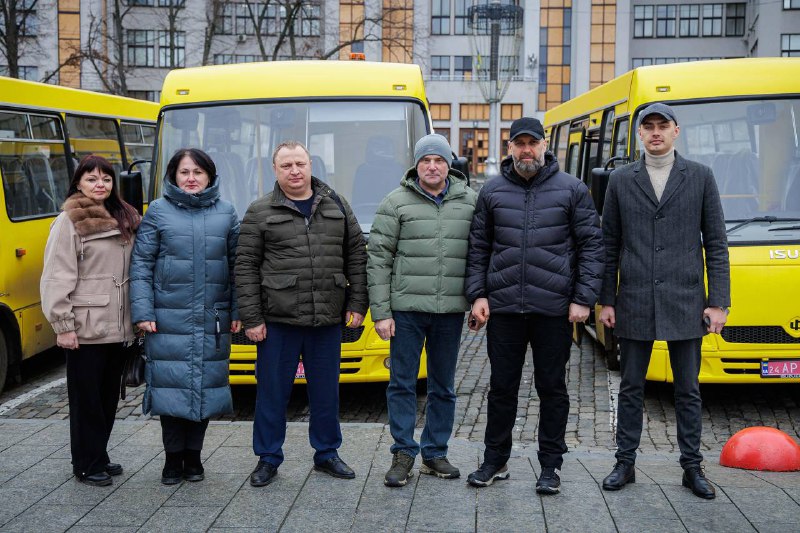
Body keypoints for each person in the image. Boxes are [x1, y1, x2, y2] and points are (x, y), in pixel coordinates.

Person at [465, 117, 604, 494]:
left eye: (533, 143)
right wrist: (478, 295)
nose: (526, 150)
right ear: (509, 148)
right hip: (505, 308)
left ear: (545, 145)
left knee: (552, 388)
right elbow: (478, 247)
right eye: (519, 144)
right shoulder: (492, 191)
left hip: (554, 309)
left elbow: (592, 247)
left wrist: (583, 298)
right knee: (501, 388)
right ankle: (495, 460)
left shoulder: (572, 189)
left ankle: (551, 466)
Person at [598, 103, 730, 500]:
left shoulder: (700, 177)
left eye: (663, 126)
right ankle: (625, 462)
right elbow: (609, 244)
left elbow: (716, 243)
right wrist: (606, 300)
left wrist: (718, 302)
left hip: (686, 299)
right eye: (649, 127)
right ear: (639, 134)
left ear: (676, 131)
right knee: (631, 387)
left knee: (688, 390)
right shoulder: (621, 180)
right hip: (635, 298)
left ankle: (692, 467)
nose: (655, 133)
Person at [235, 140, 368, 487]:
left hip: (327, 317)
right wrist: (252, 318)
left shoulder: (337, 205)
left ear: (311, 165)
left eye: (300, 164)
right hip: (278, 320)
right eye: (286, 165)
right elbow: (245, 266)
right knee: (272, 392)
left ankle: (327, 453)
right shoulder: (259, 211)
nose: (294, 171)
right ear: (275, 170)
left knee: (326, 392)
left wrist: (357, 304)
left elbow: (356, 255)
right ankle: (268, 457)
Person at [367, 134, 477, 487]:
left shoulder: (470, 202)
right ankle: (403, 452)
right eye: (425, 160)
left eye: (439, 160)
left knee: (443, 385)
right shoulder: (395, 202)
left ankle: (435, 452)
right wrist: (381, 312)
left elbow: (481, 254)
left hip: (449, 311)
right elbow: (378, 260)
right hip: (406, 310)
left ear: (449, 165)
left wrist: (478, 298)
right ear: (416, 165)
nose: (432, 166)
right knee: (402, 383)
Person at [130, 148, 241, 485]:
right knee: (170, 389)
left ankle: (193, 458)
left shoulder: (226, 212)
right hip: (167, 317)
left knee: (206, 388)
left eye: (198, 172)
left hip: (212, 317)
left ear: (210, 176)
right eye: (184, 172)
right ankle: (171, 460)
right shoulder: (158, 211)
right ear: (173, 176)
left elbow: (239, 267)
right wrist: (143, 311)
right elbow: (141, 264)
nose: (191, 178)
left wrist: (238, 310)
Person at [41, 155, 141, 487]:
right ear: (78, 183)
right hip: (85, 327)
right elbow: (56, 277)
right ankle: (86, 463)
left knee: (108, 397)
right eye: (92, 179)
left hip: (118, 325)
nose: (100, 184)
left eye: (106, 179)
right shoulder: (69, 221)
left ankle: (99, 454)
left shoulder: (124, 216)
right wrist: (63, 326)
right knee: (87, 401)